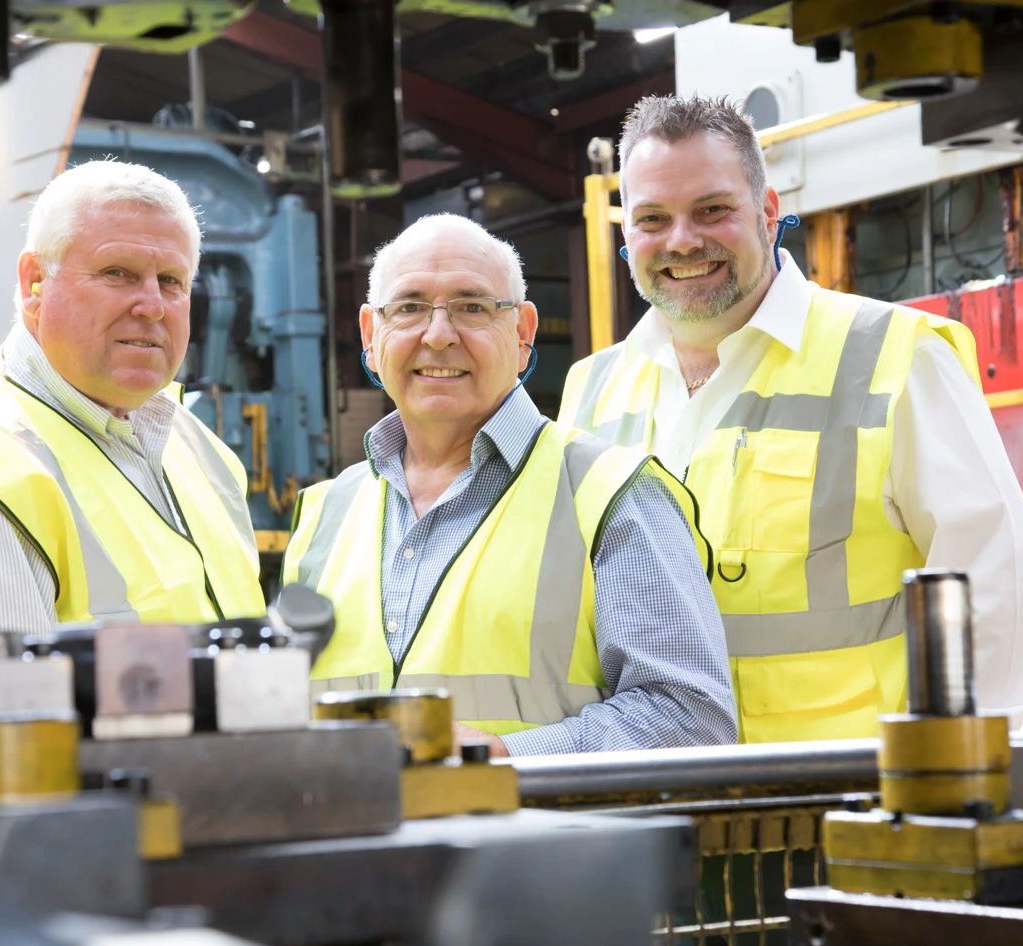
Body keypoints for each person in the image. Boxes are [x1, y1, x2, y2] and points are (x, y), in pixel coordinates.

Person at [559, 95, 1023, 743]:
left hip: (847, 805)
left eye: (712, 209)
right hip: (660, 809)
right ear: (626, 234)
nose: (682, 240)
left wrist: (968, 782)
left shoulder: (895, 357)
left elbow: (1001, 588)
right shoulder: (589, 392)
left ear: (767, 214)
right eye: (652, 218)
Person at [283, 214, 737, 755]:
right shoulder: (322, 515)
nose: (438, 334)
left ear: (523, 334)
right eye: (408, 308)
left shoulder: (611, 496)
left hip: (536, 839)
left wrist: (503, 758)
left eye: (472, 307)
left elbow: (693, 720)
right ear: (370, 335)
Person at [0, 160, 264, 631]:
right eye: (117, 272)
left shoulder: (204, 455)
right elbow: (5, 701)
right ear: (34, 282)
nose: (152, 305)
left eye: (171, 281)